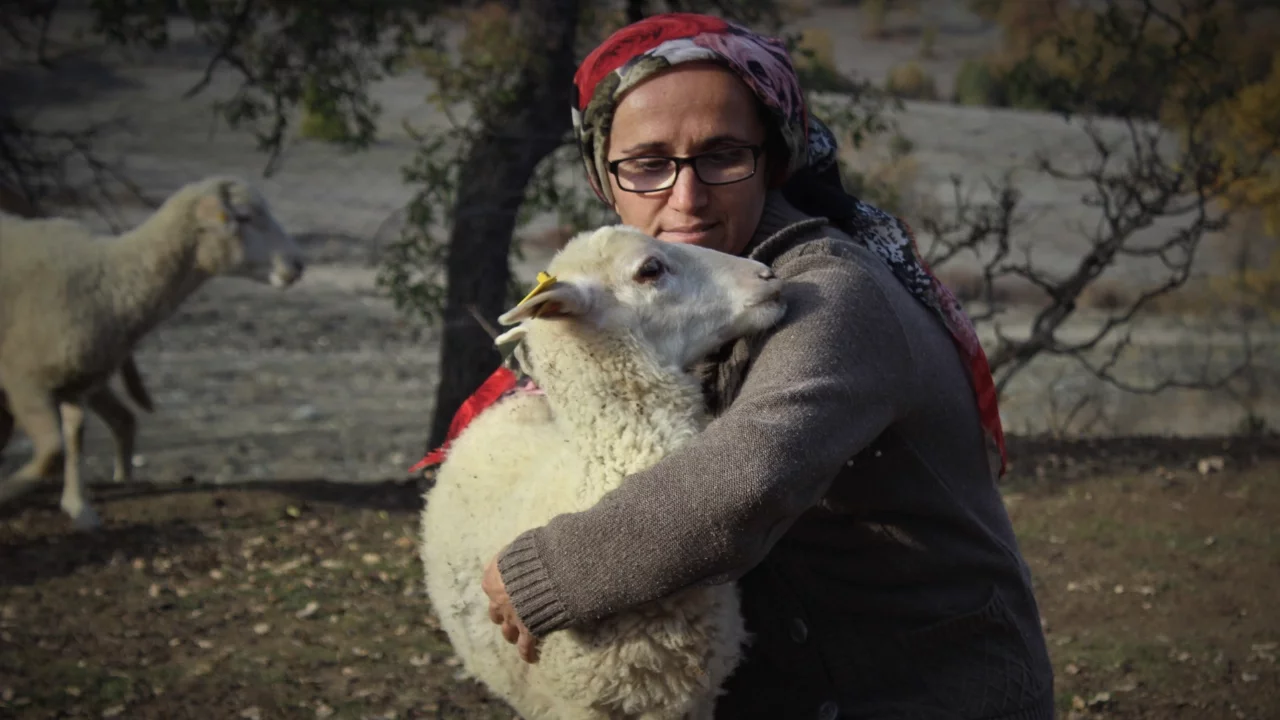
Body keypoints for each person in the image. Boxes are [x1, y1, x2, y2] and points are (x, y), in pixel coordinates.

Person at [435, 12, 1055, 719]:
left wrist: (552, 569)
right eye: (647, 164)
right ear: (603, 178)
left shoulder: (826, 293)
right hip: (793, 684)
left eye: (723, 155)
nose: (687, 197)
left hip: (923, 689)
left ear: (773, 156)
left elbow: (750, 478)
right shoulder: (655, 307)